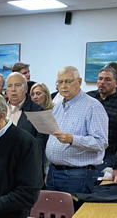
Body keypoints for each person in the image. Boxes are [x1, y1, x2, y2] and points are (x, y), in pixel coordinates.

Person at [45, 66, 108, 196]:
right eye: (60, 82)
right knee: (53, 215)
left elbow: (101, 142)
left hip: (77, 175)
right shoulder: (56, 106)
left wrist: (73, 140)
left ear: (79, 82)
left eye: (67, 81)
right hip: (53, 172)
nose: (63, 86)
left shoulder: (92, 106)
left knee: (73, 215)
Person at [87, 66, 117, 182]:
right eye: (100, 79)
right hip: (84, 153)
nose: (102, 82)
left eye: (107, 79)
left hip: (108, 155)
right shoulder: (88, 98)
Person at [5, 72, 48, 154]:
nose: (13, 89)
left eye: (18, 85)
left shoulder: (38, 111)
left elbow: (41, 142)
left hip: (25, 161)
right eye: (9, 86)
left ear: (26, 88)